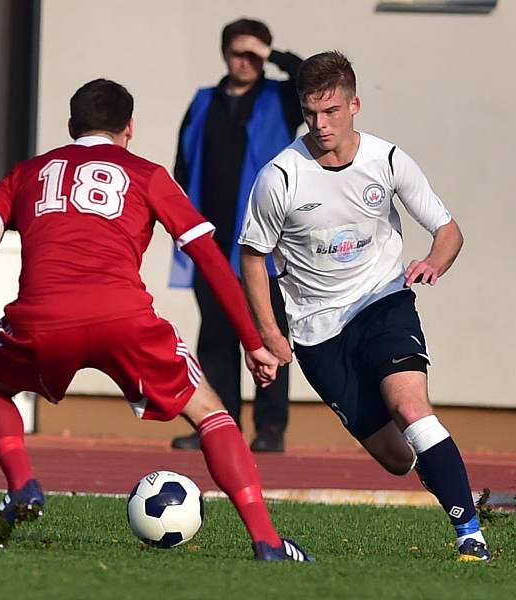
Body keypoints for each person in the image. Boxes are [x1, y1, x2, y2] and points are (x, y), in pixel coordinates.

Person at [0, 79, 311, 562]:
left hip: (43, 319)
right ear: (129, 129)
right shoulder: (147, 174)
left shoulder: (28, 173)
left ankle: (23, 484)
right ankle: (267, 540)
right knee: (211, 413)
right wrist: (252, 340)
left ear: (70, 127)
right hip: (125, 319)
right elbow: (208, 256)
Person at [238, 51, 491, 561]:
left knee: (411, 406)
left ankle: (469, 534)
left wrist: (433, 263)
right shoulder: (280, 177)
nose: (320, 124)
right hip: (316, 331)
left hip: (383, 302)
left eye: (331, 111)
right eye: (311, 113)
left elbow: (448, 231)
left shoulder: (389, 160)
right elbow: (252, 256)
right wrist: (268, 335)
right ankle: (449, 478)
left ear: (354, 105)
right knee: (398, 458)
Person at [168, 18, 303, 453]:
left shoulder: (282, 99)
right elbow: (182, 165)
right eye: (238, 52)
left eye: (254, 53)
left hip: (266, 242)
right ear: (224, 53)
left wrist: (273, 55)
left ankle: (270, 428)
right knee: (216, 336)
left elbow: (310, 79)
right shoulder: (204, 101)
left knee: (269, 331)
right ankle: (218, 423)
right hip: (209, 239)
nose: (245, 61)